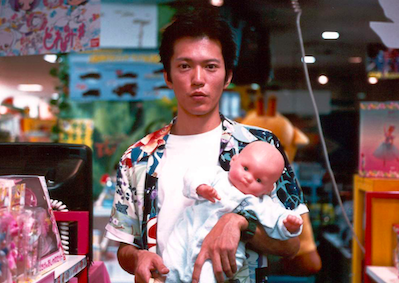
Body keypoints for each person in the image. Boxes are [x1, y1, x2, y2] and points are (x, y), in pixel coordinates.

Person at [105, 6, 308, 283]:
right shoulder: (138, 156)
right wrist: (138, 257)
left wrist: (239, 223)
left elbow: (291, 245)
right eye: (184, 66)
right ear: (168, 76)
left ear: (227, 77)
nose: (198, 79)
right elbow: (124, 247)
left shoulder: (260, 145)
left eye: (210, 66)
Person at [161, 141, 303, 283]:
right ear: (233, 160)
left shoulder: (260, 203)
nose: (248, 178)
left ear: (268, 189)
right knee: (171, 264)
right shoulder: (217, 177)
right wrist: (200, 187)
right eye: (246, 168)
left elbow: (277, 217)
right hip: (188, 232)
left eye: (258, 180)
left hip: (223, 253)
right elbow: (193, 176)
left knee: (210, 275)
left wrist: (289, 224)